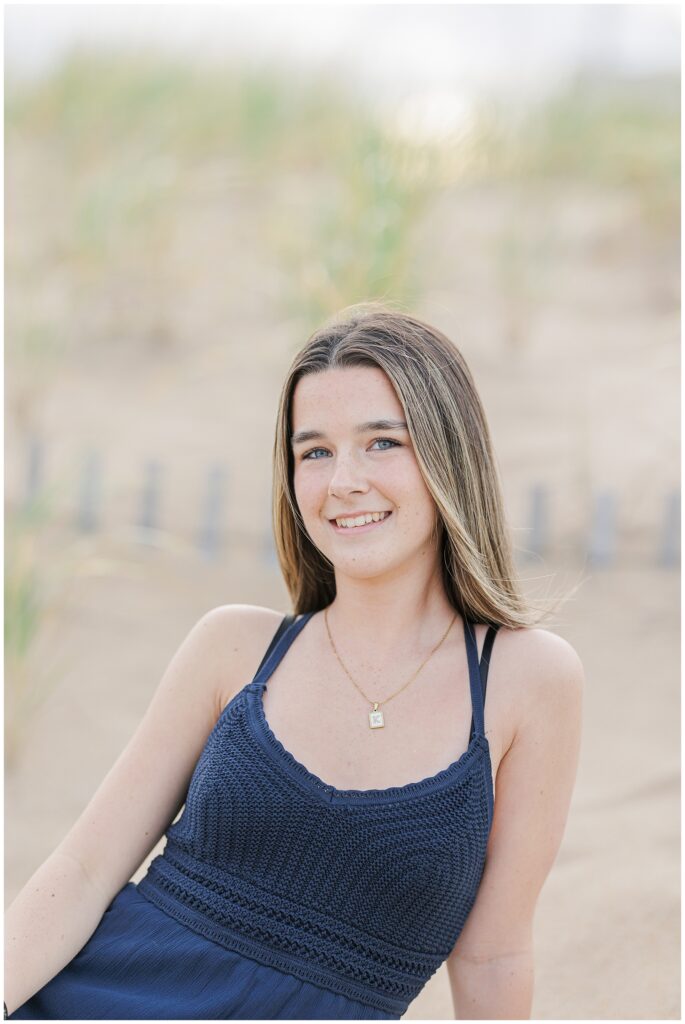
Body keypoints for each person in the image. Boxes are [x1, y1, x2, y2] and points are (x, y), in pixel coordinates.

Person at [5, 305, 584, 1020]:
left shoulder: (528, 681)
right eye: (314, 452)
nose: (342, 480)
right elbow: (84, 869)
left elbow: (492, 955)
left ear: (448, 453)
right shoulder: (236, 650)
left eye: (380, 443)